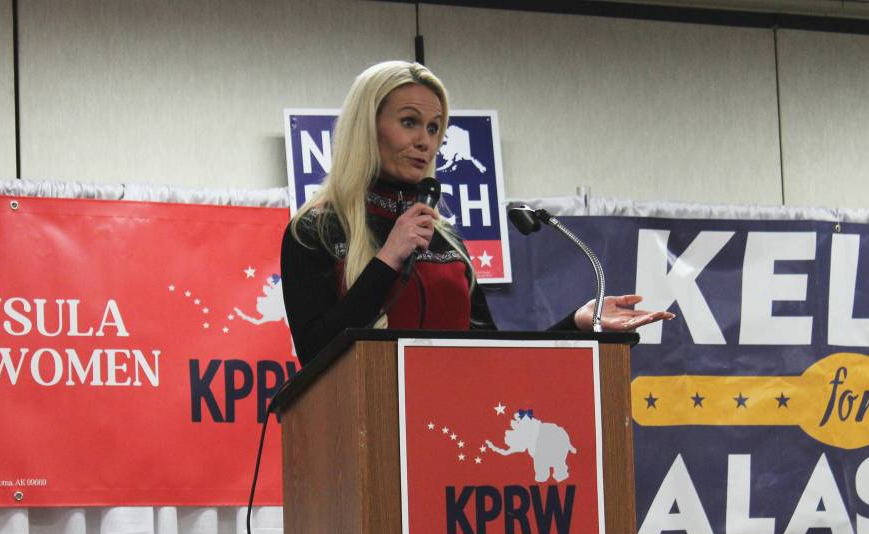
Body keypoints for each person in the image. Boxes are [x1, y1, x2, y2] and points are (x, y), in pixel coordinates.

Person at [281, 60, 673, 365]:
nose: (425, 141)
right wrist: (387, 259)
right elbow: (315, 354)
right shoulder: (315, 229)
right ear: (367, 127)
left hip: (454, 427)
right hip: (366, 426)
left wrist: (576, 324)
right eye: (409, 122)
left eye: (434, 128)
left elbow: (491, 355)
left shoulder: (445, 238)